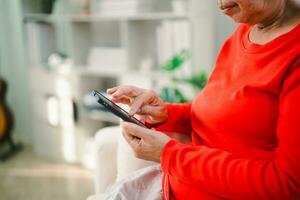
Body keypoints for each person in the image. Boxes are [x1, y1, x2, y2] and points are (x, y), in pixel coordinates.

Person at [107, 0, 300, 199]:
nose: (221, 4)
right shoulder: (246, 31)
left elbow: (288, 185)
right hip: (171, 185)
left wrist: (170, 155)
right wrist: (165, 114)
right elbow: (222, 113)